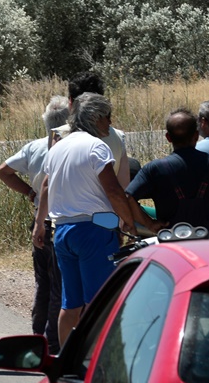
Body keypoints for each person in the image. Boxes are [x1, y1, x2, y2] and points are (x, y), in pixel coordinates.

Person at [33, 92, 137, 347]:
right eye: (107, 118)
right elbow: (113, 191)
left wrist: (39, 222)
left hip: (63, 230)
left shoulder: (58, 147)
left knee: (70, 304)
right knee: (97, 301)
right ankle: (95, 360)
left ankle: (68, 359)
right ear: (96, 117)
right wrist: (129, 222)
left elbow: (45, 187)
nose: (109, 124)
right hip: (95, 229)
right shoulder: (96, 146)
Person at [0, 95, 69, 354]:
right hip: (62, 222)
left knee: (43, 282)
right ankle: (54, 342)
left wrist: (29, 192)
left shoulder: (34, 148)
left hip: (40, 221)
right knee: (60, 285)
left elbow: (2, 171)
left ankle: (38, 334)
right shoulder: (71, 147)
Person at [126, 108, 209, 236]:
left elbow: (128, 197)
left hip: (172, 242)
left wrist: (149, 223)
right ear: (196, 136)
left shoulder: (154, 169)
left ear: (168, 138)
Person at [53, 71, 130, 188]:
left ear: (70, 102)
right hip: (109, 205)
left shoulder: (60, 135)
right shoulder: (119, 137)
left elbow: (52, 182)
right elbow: (124, 186)